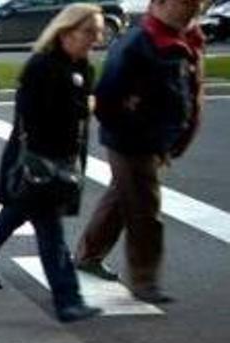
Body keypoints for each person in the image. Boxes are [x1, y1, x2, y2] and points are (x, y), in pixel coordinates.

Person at [0, 3, 105, 324]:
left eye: (97, 33)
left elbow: (84, 110)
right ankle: (68, 300)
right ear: (67, 31)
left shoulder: (83, 67)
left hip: (61, 161)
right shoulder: (41, 66)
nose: (94, 40)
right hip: (39, 162)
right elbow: (33, 118)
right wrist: (80, 107)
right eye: (89, 32)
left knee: (14, 213)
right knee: (51, 233)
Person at [74, 0, 206, 304]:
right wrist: (131, 126)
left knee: (121, 197)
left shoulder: (188, 37)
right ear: (158, 4)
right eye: (184, 3)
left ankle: (89, 255)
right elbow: (106, 97)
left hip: (158, 138)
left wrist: (180, 133)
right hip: (133, 141)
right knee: (145, 209)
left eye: (195, 5)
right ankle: (145, 280)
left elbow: (189, 88)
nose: (190, 10)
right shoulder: (139, 41)